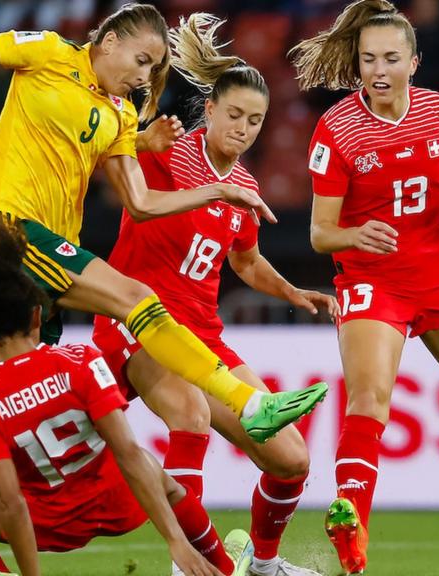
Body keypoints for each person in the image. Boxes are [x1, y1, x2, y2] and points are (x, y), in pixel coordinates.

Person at [0, 2, 326, 446]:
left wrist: (184, 169)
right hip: (9, 227)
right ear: (109, 41)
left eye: (153, 68)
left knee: (37, 403)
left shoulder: (122, 115)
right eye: (141, 60)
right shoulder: (49, 52)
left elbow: (140, 203)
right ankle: (248, 402)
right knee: (138, 297)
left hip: (51, 251)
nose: (144, 76)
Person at [91, 14, 336, 576]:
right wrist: (136, 139)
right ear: (209, 110)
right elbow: (121, 181)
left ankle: (264, 566)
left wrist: (293, 291)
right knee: (191, 415)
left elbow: (244, 261)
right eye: (234, 115)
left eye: (255, 120)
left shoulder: (246, 187)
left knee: (291, 459)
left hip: (202, 338)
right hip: (138, 320)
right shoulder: (166, 151)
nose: (244, 128)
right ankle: (190, 566)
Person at [288, 1, 439, 573]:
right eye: (368, 59)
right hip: (372, 279)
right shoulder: (336, 129)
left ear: (414, 62)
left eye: (391, 58)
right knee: (369, 399)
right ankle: (352, 524)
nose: (379, 70)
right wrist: (353, 233)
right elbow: (320, 234)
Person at [0, 223, 250, 576]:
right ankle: (221, 565)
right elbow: (126, 450)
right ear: (38, 315)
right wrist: (175, 541)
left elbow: (10, 503)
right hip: (120, 504)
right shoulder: (81, 360)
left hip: (49, 522)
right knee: (164, 480)